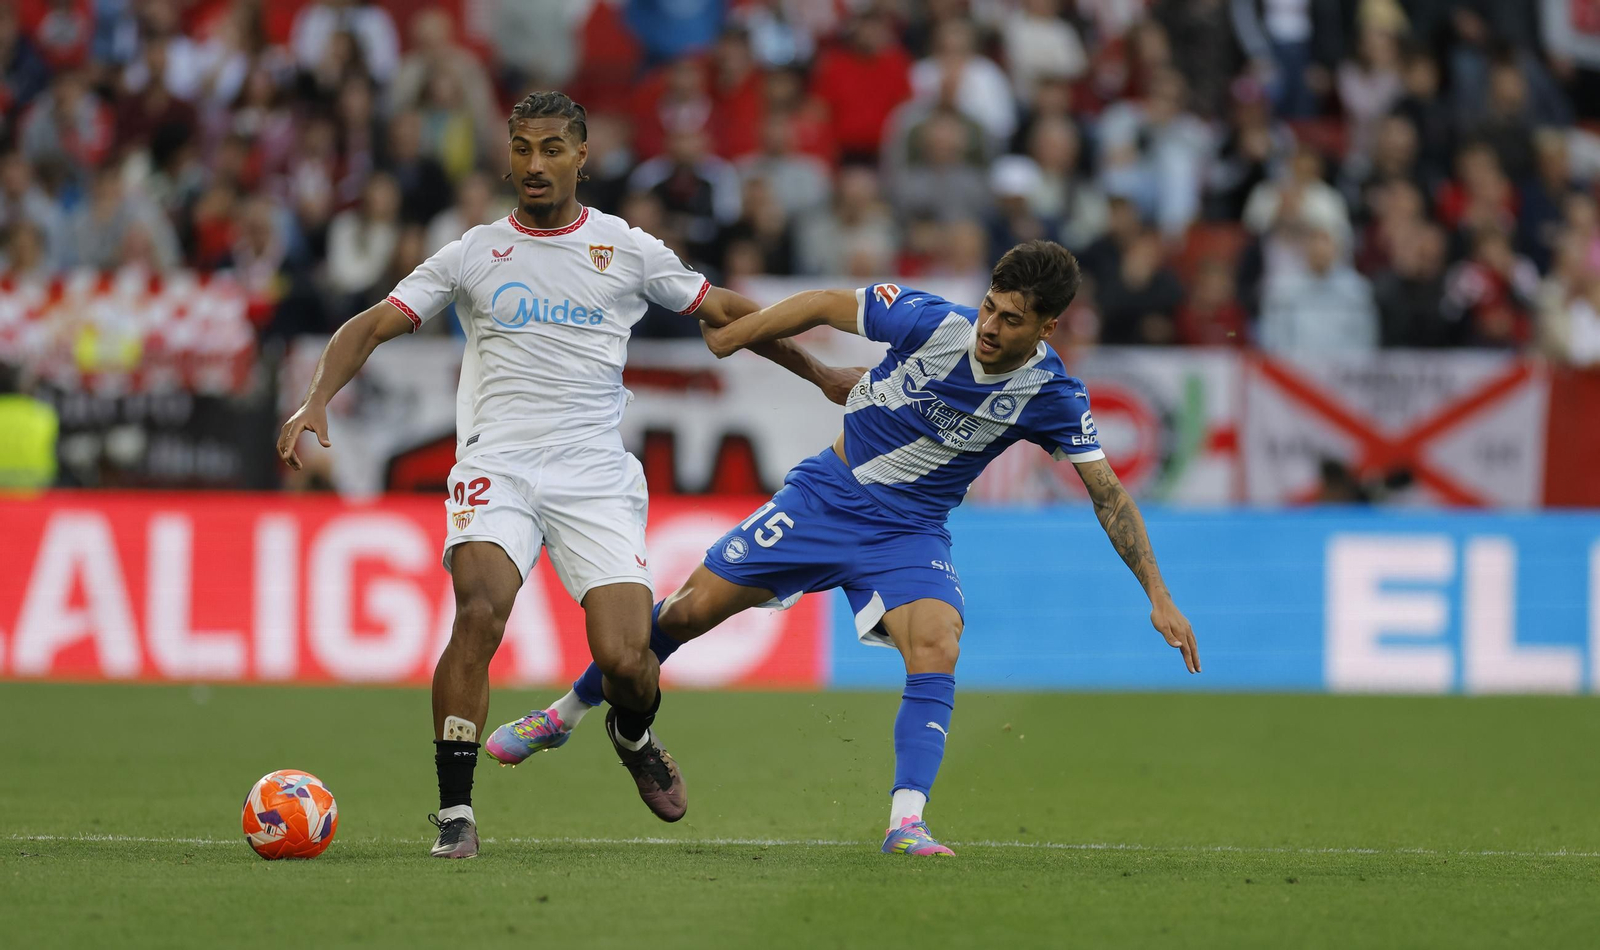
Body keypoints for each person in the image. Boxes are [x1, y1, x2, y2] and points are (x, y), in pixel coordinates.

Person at [275, 91, 858, 860]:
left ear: (582, 156)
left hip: (593, 475)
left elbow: (728, 313)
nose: (535, 164)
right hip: (498, 464)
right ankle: (455, 815)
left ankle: (632, 729)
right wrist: (317, 396)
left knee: (626, 659)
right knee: (479, 613)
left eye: (552, 149)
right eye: (522, 149)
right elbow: (373, 323)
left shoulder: (626, 248)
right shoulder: (474, 250)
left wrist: (816, 371)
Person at [486, 240, 1201, 857]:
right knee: (684, 614)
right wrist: (744, 333)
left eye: (1010, 320)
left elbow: (1108, 494)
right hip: (824, 499)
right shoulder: (932, 322)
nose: (989, 325)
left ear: (1048, 326)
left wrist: (1160, 598)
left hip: (909, 533)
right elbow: (829, 304)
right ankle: (563, 717)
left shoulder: (1053, 394)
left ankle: (907, 822)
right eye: (988, 306)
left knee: (940, 643)